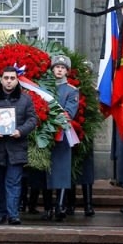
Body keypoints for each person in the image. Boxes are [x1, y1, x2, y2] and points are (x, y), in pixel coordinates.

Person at [0, 66, 37, 225]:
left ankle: (13, 214)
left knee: (13, 182)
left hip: (16, 148)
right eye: (6, 78)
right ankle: (0, 214)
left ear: (17, 80)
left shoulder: (25, 99)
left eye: (12, 78)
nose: (9, 81)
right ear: (1, 80)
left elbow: (32, 119)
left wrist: (20, 131)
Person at [42, 55, 79, 220]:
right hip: (45, 134)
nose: (59, 70)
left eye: (63, 68)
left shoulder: (71, 90)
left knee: (62, 169)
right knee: (46, 170)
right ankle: (47, 207)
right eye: (57, 67)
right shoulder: (44, 88)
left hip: (62, 133)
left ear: (67, 71)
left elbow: (70, 112)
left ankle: (60, 205)